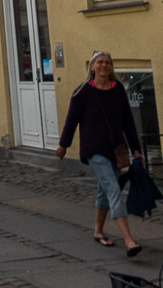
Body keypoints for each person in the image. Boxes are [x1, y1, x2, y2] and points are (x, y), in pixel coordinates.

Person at [57, 51, 145, 258]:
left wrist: (136, 148)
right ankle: (129, 240)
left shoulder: (118, 90)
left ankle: (98, 231)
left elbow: (128, 122)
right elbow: (72, 120)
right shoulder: (83, 92)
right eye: (100, 62)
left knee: (104, 191)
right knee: (114, 190)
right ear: (92, 67)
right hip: (94, 150)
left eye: (107, 63)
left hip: (116, 149)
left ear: (111, 67)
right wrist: (63, 145)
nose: (104, 66)